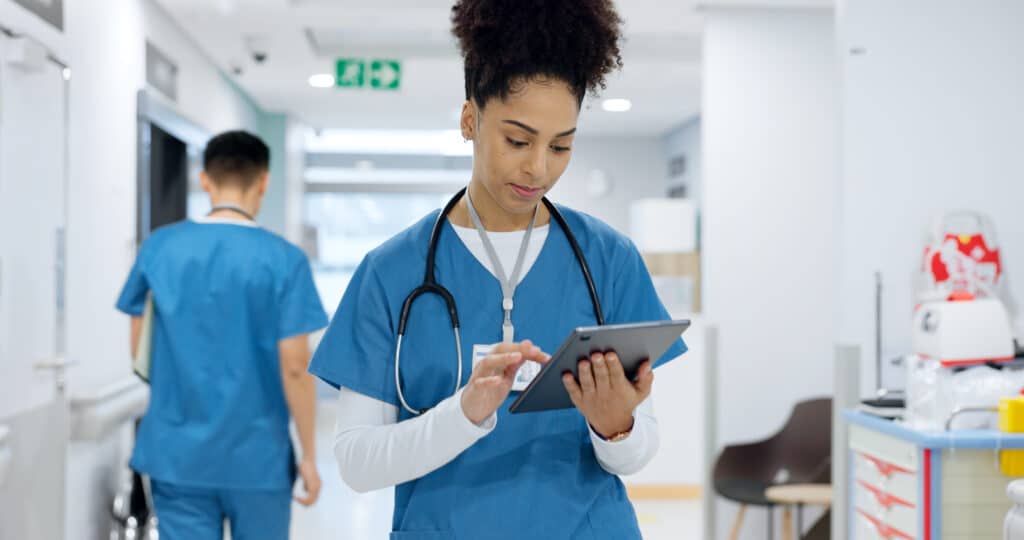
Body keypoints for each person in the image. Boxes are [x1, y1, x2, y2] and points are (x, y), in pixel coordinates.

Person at [309, 1, 688, 538]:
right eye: (518, 140)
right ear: (470, 119)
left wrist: (615, 427)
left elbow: (637, 451)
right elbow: (357, 461)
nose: (538, 167)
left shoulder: (609, 259)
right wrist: (463, 413)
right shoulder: (391, 272)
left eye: (561, 146)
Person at [115, 130, 328, 540]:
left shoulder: (160, 247)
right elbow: (297, 368)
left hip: (177, 454)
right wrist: (309, 457)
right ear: (263, 181)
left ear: (205, 180)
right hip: (258, 458)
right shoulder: (285, 260)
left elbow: (139, 347)